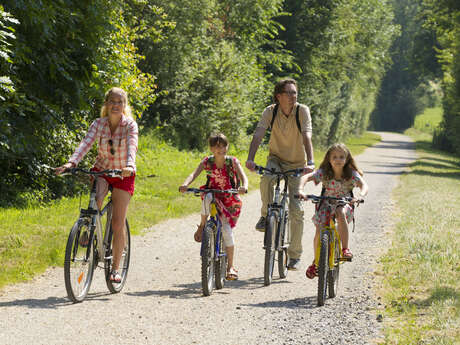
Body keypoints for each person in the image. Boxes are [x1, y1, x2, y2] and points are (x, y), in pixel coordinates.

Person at [55, 87, 138, 283]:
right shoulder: (98, 124)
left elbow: (132, 146)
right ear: (106, 104)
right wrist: (71, 162)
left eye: (120, 102)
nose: (115, 105)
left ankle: (116, 269)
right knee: (95, 203)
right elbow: (85, 144)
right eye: (112, 101)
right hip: (102, 170)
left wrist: (129, 165)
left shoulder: (130, 126)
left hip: (123, 174)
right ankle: (88, 228)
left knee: (118, 223)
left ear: (124, 106)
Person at [245, 78, 315, 271]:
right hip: (276, 159)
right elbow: (258, 134)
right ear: (279, 96)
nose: (293, 96)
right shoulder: (271, 111)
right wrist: (250, 159)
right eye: (289, 93)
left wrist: (310, 162)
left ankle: (294, 256)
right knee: (266, 178)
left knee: (296, 210)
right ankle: (265, 215)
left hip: (298, 164)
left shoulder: (302, 111)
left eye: (295, 93)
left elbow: (307, 136)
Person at [179, 133, 248, 280]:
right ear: (211, 148)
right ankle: (203, 225)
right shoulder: (207, 162)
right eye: (217, 146)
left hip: (229, 198)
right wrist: (186, 184)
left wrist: (244, 186)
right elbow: (194, 174)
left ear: (227, 147)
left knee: (227, 232)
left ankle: (230, 267)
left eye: (223, 146)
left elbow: (243, 177)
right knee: (207, 196)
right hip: (213, 193)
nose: (221, 149)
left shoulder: (232, 162)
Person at [297, 143, 369, 279]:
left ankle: (345, 249)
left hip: (344, 203)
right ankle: (316, 262)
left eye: (341, 157)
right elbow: (305, 177)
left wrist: (360, 196)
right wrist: (301, 190)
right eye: (334, 157)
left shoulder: (351, 174)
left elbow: (364, 185)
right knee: (319, 230)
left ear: (347, 159)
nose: (338, 160)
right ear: (329, 159)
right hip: (326, 203)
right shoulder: (324, 172)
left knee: (340, 212)